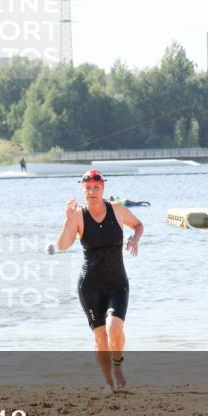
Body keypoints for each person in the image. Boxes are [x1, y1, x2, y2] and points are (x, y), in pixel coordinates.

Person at [57, 169, 143, 394]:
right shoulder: (77, 216)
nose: (92, 191)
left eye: (96, 187)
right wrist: (67, 220)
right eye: (88, 188)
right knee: (100, 337)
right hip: (90, 286)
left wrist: (134, 239)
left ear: (103, 188)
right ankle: (108, 382)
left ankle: (118, 365)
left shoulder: (117, 210)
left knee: (115, 328)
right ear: (82, 190)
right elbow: (63, 245)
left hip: (117, 283)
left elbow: (138, 225)